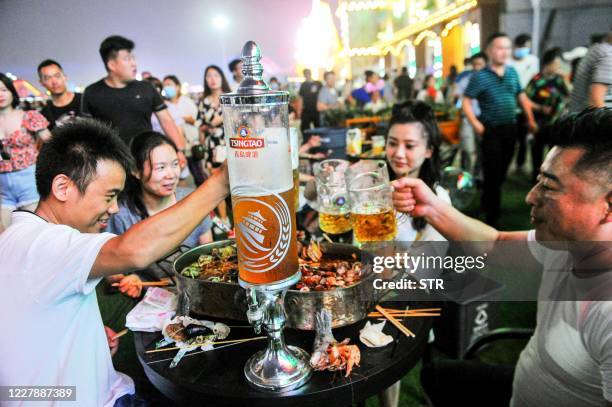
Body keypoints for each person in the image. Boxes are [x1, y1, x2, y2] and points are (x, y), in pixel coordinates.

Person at [0, 118, 229, 405]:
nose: (114, 207)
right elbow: (132, 250)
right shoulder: (43, 245)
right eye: (109, 196)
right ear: (63, 187)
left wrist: (89, 337)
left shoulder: (19, 237)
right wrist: (222, 182)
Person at [393, 107, 612, 407]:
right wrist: (430, 207)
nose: (531, 196)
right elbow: (495, 244)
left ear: (608, 205)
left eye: (548, 186)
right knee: (436, 376)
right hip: (523, 384)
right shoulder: (566, 244)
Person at [106, 131, 213, 295]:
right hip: (152, 297)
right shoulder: (122, 215)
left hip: (199, 290)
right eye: (161, 167)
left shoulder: (192, 201)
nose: (171, 174)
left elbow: (210, 255)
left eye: (175, 164)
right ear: (136, 171)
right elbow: (110, 269)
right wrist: (127, 280)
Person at [463, 32, 536, 227]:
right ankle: (491, 215)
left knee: (502, 170)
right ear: (489, 51)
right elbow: (466, 100)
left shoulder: (512, 72)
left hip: (511, 128)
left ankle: (489, 200)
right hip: (491, 131)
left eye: (507, 48)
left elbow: (521, 96)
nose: (504, 52)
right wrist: (476, 124)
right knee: (492, 171)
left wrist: (530, 119)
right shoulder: (480, 76)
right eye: (499, 48)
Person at [81, 35, 185, 162]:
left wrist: (179, 150)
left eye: (133, 58)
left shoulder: (146, 88)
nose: (134, 63)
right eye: (127, 59)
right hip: (112, 162)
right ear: (112, 64)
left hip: (146, 159)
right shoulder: (92, 93)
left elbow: (166, 120)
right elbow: (87, 133)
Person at [0, 73, 51, 231]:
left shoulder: (29, 116)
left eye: (3, 89)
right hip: (2, 188)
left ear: (11, 92)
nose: (0, 95)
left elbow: (52, 143)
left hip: (28, 181)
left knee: (35, 231)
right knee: (4, 236)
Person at [525, 48, 570, 183]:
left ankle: (549, 180)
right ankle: (536, 180)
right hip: (539, 123)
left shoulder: (558, 80)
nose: (558, 67)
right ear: (547, 64)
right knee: (537, 153)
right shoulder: (536, 80)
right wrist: (539, 108)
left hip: (556, 123)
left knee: (554, 154)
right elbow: (525, 99)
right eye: (556, 64)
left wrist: (565, 79)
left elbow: (568, 95)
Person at [198, 65, 232, 228]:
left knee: (235, 182)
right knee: (216, 183)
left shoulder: (230, 98)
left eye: (216, 75)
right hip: (212, 147)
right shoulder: (203, 101)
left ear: (222, 77)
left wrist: (219, 121)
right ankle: (225, 222)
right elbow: (200, 126)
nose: (212, 79)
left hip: (230, 145)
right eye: (209, 76)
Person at [162, 75, 204, 185]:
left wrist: (181, 118)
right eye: (165, 85)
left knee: (199, 174)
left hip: (190, 144)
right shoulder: (164, 105)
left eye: (169, 84)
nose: (167, 87)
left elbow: (195, 119)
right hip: (175, 145)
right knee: (180, 175)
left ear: (177, 86)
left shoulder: (186, 101)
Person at [509, 33, 540, 174]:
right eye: (522, 46)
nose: (524, 49)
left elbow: (536, 79)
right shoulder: (509, 62)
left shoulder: (533, 60)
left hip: (528, 103)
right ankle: (508, 164)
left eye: (527, 46)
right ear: (516, 46)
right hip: (511, 105)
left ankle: (521, 164)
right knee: (511, 138)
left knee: (524, 137)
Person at [455, 52, 487, 176]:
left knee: (482, 149)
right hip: (467, 119)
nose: (476, 67)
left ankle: (478, 175)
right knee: (467, 149)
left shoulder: (489, 80)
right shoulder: (465, 79)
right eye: (474, 64)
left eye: (480, 64)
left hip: (483, 118)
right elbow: (458, 95)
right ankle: (466, 175)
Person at [568, 29, 612, 112]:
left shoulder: (597, 49)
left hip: (579, 120)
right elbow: (595, 103)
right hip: (592, 122)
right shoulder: (608, 55)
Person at [37, 59, 82, 130]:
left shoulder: (84, 99)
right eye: (48, 78)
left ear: (65, 77)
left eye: (57, 76)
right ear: (41, 82)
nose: (54, 82)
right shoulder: (44, 114)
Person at [299, 68, 322, 134]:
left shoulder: (318, 83)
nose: (307, 75)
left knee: (318, 127)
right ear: (304, 75)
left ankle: (318, 141)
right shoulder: (303, 85)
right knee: (304, 128)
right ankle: (306, 141)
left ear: (310, 74)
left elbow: (322, 95)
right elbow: (301, 98)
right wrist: (299, 110)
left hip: (316, 109)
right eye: (305, 74)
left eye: (308, 73)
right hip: (306, 109)